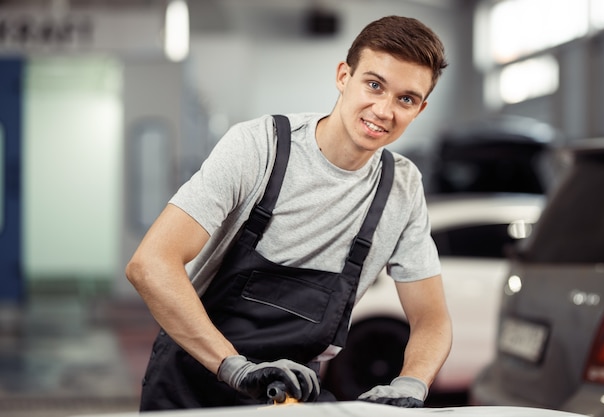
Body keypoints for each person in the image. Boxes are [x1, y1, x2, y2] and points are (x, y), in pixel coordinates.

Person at [126, 14, 452, 410]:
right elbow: (151, 263)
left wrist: (412, 382)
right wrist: (236, 368)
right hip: (192, 383)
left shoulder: (401, 187)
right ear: (343, 76)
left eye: (406, 99)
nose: (384, 110)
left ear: (420, 108)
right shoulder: (260, 146)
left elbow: (431, 319)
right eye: (374, 85)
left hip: (291, 396)